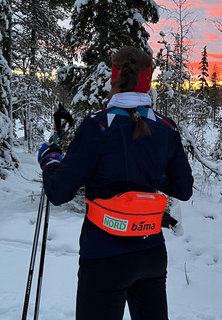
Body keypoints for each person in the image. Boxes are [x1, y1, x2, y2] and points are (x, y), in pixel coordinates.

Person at [37, 47, 194, 320]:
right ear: (149, 80)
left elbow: (59, 191)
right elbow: (182, 189)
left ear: (114, 77)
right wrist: (150, 173)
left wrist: (50, 162)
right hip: (151, 254)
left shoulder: (97, 126)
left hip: (104, 256)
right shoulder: (167, 128)